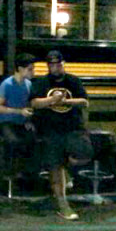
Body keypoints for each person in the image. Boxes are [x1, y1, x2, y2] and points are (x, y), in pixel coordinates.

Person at [30, 50, 91, 220]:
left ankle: (67, 170)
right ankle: (62, 204)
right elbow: (34, 102)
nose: (55, 67)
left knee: (84, 154)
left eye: (58, 64)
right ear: (48, 66)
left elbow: (84, 101)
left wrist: (65, 101)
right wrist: (51, 100)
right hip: (50, 130)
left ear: (63, 64)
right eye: (51, 65)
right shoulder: (42, 82)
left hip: (73, 128)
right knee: (55, 166)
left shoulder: (73, 81)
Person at [0, 53, 49, 185]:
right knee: (13, 141)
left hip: (22, 122)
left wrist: (29, 120)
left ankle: (27, 175)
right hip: (6, 122)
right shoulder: (6, 84)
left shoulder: (29, 84)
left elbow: (28, 105)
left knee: (34, 141)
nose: (33, 72)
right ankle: (8, 173)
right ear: (20, 68)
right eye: (30, 69)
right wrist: (19, 111)